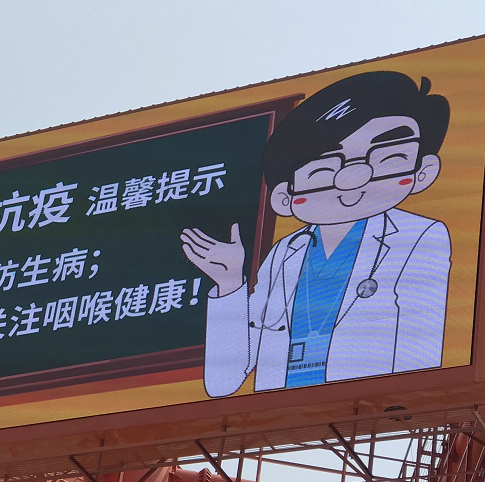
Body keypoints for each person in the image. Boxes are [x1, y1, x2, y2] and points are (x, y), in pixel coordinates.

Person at [182, 71, 451, 398]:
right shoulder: (284, 253)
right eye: (324, 168)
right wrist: (229, 284)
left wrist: (400, 408)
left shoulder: (419, 237)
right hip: (279, 411)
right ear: (285, 197)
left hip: (365, 407)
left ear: (423, 171)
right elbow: (224, 383)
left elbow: (421, 353)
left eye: (386, 158)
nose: (353, 177)